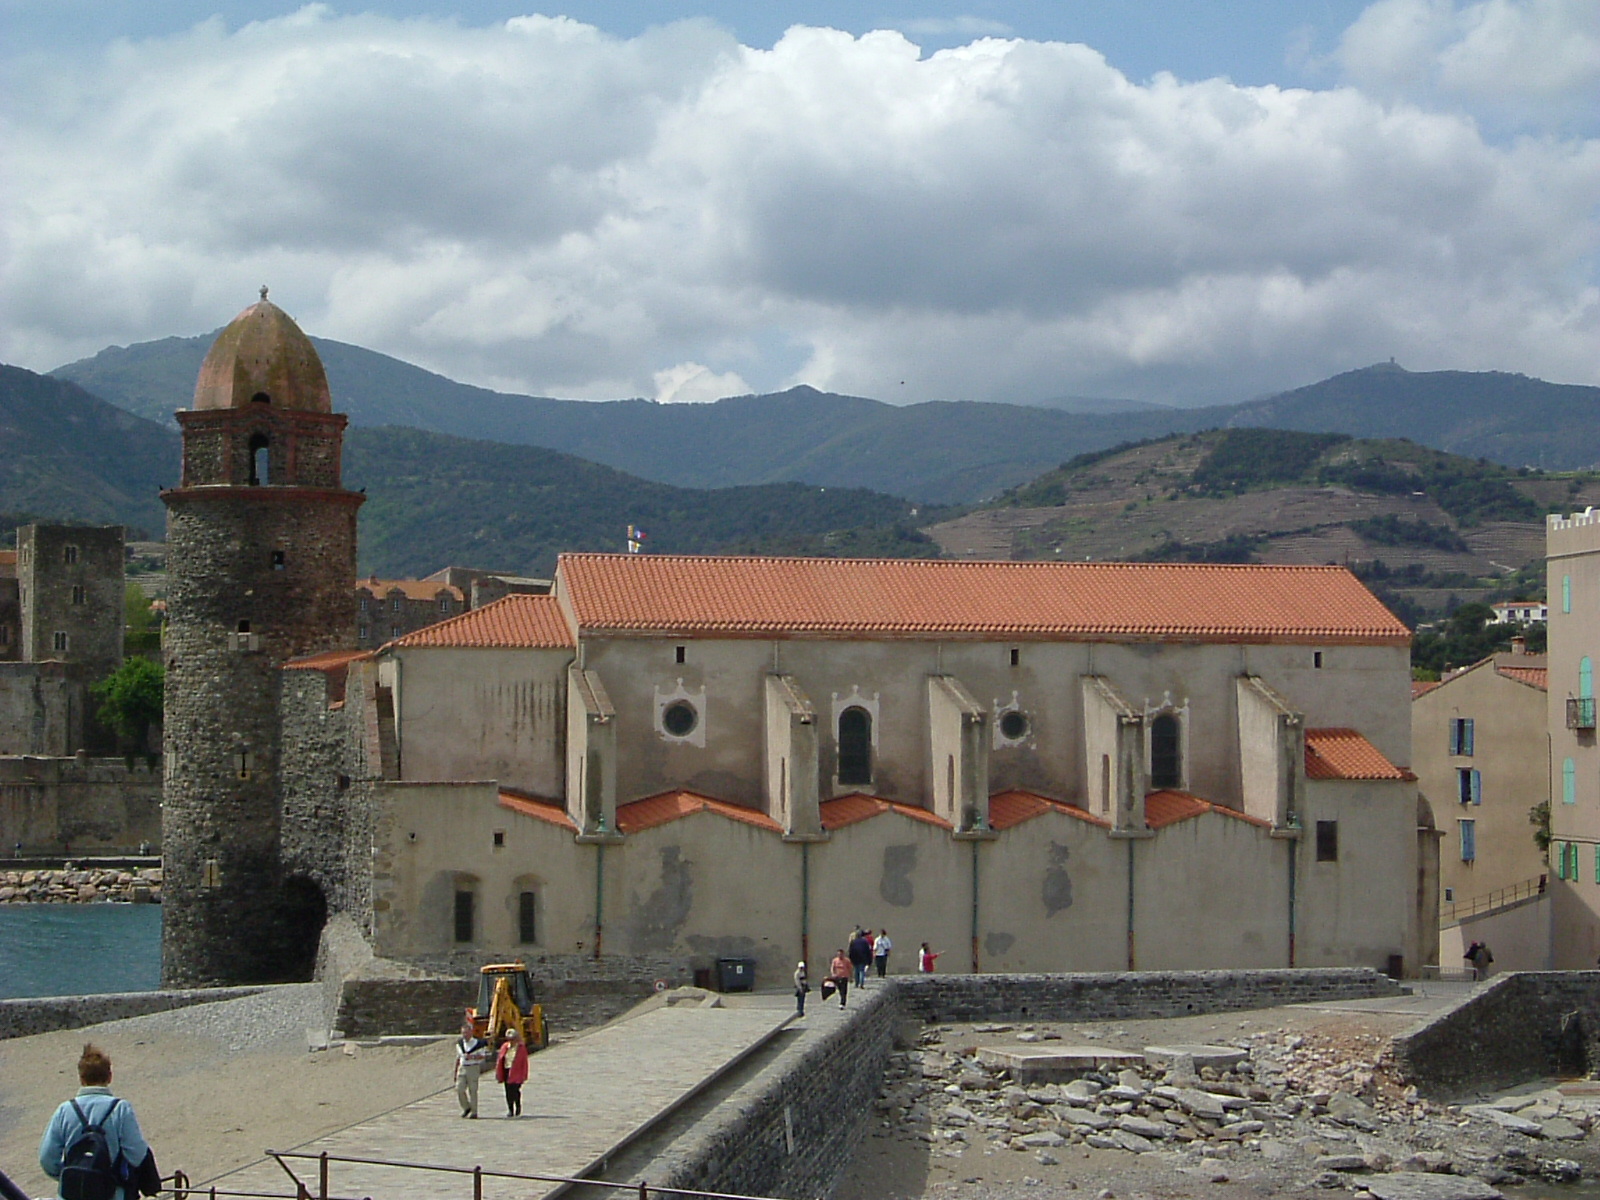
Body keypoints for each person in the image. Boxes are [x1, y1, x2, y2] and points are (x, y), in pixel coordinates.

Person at [39, 1042, 159, 1200]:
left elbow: (47, 1158)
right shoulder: (120, 1109)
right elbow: (137, 1152)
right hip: (112, 1193)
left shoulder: (64, 1110)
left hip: (72, 1195)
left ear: (81, 1078)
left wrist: (72, 1175)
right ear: (109, 1076)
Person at [454, 1018, 490, 1118]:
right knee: (459, 1089)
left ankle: (474, 1111)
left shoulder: (478, 1043)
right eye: (463, 1033)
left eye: (466, 1033)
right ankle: (466, 1107)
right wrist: (456, 1070)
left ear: (471, 1032)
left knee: (473, 1090)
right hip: (463, 1067)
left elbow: (483, 1056)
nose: (464, 1035)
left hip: (473, 1067)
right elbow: (458, 1057)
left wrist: (472, 1057)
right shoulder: (460, 1044)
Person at [495, 1027, 529, 1118]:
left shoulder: (521, 1048)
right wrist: (498, 1072)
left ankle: (517, 1105)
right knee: (508, 1091)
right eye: (509, 1039)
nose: (511, 1041)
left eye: (513, 1039)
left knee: (515, 1090)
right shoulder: (505, 1047)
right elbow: (500, 1060)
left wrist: (524, 1075)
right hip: (506, 1070)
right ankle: (510, 1109)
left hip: (517, 1072)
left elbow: (524, 1062)